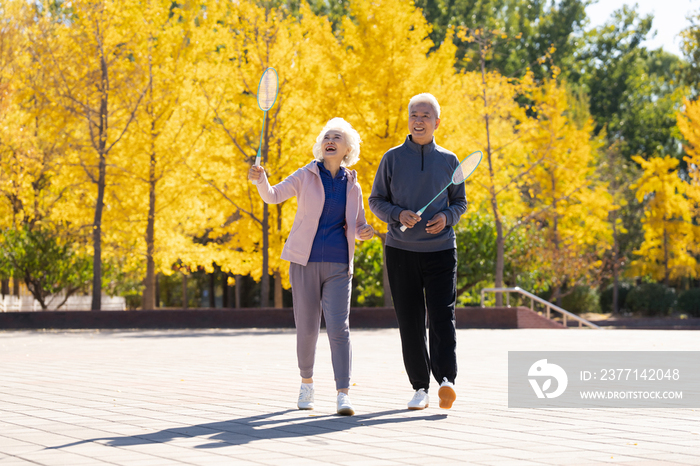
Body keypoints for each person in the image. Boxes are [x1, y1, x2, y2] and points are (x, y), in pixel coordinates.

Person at [248, 117, 374, 416]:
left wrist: (364, 231)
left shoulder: (353, 183)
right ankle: (307, 384)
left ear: (347, 149)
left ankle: (343, 393)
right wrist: (260, 180)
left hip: (339, 265)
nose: (330, 139)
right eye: (327, 136)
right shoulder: (306, 175)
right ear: (322, 145)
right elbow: (273, 196)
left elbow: (357, 225)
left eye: (337, 137)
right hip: (304, 262)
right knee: (306, 328)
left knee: (339, 328)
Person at [369, 93, 467, 410]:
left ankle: (446, 382)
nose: (419, 120)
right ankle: (420, 388)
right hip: (400, 251)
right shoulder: (392, 158)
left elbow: (460, 203)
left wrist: (446, 217)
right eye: (413, 114)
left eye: (425, 115)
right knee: (410, 321)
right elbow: (376, 200)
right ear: (408, 120)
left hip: (441, 251)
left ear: (437, 122)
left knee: (442, 317)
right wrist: (398, 215)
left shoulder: (450, 161)